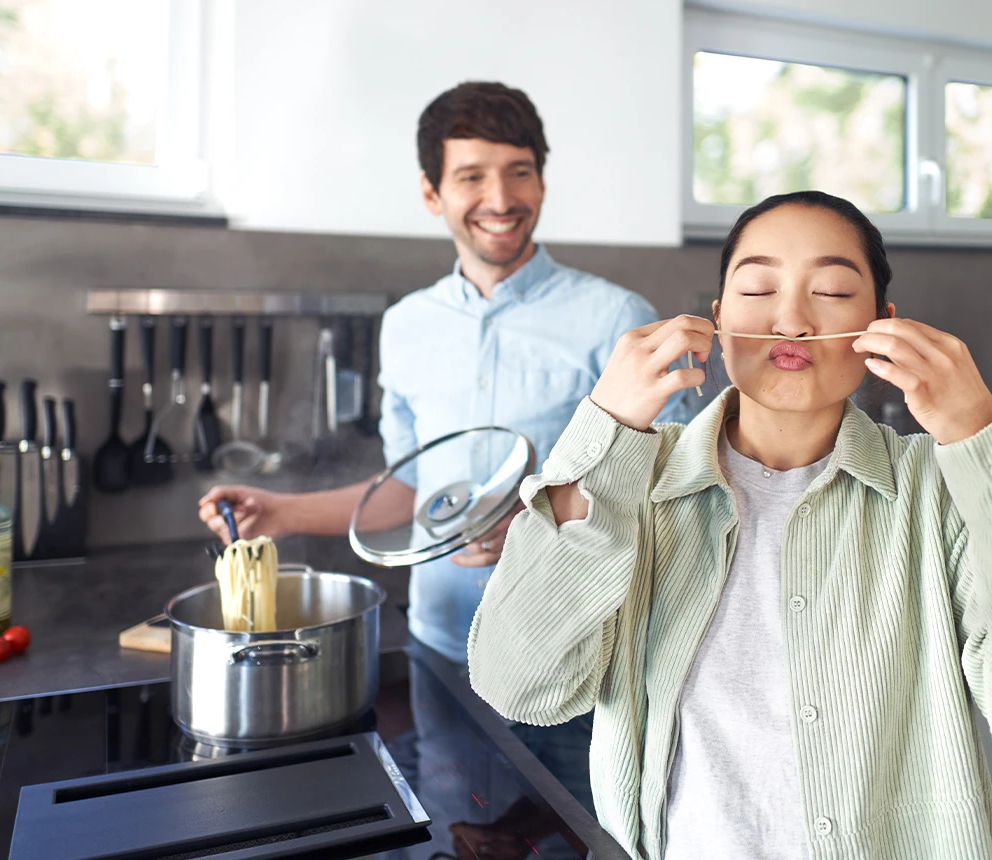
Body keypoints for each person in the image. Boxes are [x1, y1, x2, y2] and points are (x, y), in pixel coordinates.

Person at [467, 190, 992, 860]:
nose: (790, 320)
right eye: (759, 290)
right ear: (718, 319)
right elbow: (520, 684)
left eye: (831, 292)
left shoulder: (937, 491)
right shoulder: (632, 481)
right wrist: (604, 433)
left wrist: (981, 438)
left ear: (883, 323)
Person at [198, 81, 693, 816]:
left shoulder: (617, 319)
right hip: (442, 652)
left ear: (542, 182)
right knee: (454, 832)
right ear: (433, 195)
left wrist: (541, 522)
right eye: (472, 176)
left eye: (519, 171)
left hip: (574, 661)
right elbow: (411, 495)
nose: (501, 197)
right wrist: (283, 512)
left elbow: (676, 490)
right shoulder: (407, 326)